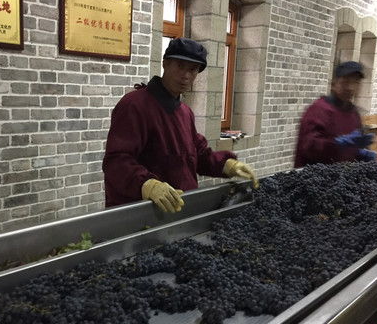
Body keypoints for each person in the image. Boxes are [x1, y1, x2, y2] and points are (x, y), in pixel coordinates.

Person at [102, 37, 259, 213]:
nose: (185, 76)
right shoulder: (135, 105)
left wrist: (227, 165)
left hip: (180, 209)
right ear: (165, 63)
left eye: (192, 70)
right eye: (180, 66)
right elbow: (116, 161)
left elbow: (197, 154)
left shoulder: (184, 112)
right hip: (143, 214)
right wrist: (146, 184)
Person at [294, 61, 377, 168]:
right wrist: (337, 144)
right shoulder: (319, 110)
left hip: (342, 178)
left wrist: (360, 155)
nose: (350, 88)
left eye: (356, 82)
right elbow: (308, 147)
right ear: (334, 84)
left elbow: (352, 150)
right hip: (315, 177)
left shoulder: (353, 114)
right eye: (345, 82)